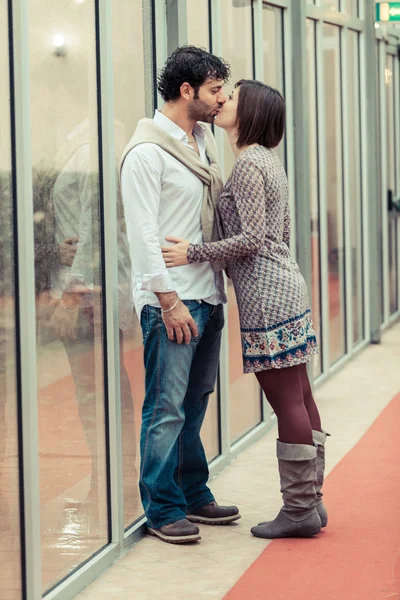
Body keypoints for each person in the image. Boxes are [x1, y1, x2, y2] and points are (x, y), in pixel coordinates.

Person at [162, 79, 330, 540]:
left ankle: (298, 510)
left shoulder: (250, 164)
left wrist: (193, 252)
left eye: (231, 97)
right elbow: (279, 233)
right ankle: (311, 503)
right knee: (300, 396)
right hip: (282, 287)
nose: (222, 102)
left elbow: (254, 238)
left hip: (268, 297)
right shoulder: (265, 162)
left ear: (250, 111)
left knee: (287, 401)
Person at [120, 46, 240, 545]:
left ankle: (193, 491)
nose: (221, 100)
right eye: (214, 90)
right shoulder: (146, 154)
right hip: (173, 301)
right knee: (166, 407)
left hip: (207, 294)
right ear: (186, 90)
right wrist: (168, 303)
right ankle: (163, 506)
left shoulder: (201, 141)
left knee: (195, 402)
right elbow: (143, 236)